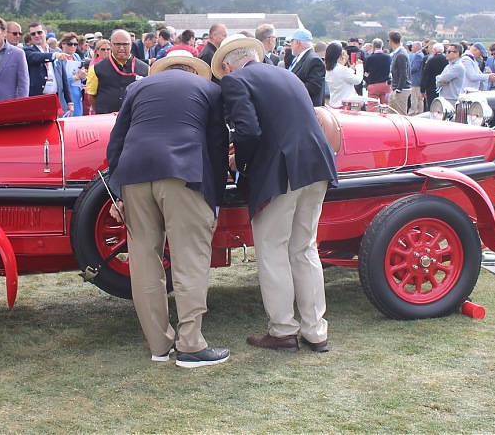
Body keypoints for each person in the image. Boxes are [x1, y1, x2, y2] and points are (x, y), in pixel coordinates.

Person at [213, 34, 338, 354]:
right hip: (317, 165)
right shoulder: (288, 75)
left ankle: (283, 330)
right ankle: (315, 331)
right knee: (305, 248)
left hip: (279, 172)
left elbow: (248, 131)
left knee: (272, 250)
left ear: (228, 66)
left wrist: (238, 163)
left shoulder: (234, 81)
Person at [106, 50, 230, 368]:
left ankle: (159, 345)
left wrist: (118, 193)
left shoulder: (137, 88)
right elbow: (217, 146)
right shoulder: (210, 90)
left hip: (134, 175)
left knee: (145, 261)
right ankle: (190, 345)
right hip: (183, 173)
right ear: (194, 70)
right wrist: (213, 197)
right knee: (189, 260)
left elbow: (115, 144)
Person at [86, 29, 149, 114]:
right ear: (111, 45)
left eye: (125, 44)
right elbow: (91, 96)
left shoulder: (145, 69)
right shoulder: (96, 68)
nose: (121, 48)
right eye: (117, 44)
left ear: (131, 45)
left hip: (134, 118)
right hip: (106, 119)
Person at [24, 22, 72, 114]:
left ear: (45, 32)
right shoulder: (28, 51)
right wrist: (54, 55)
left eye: (39, 32)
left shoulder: (56, 52)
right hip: (38, 100)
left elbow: (64, 79)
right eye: (33, 34)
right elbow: (37, 57)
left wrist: (69, 101)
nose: (36, 36)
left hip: (56, 99)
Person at [287, 28, 326, 106]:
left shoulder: (314, 60)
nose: (290, 45)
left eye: (291, 42)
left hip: (306, 109)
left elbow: (314, 87)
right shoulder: (299, 58)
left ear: (297, 43)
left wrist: (289, 88)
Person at [324, 41, 362, 108]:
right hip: (345, 105)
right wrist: (359, 67)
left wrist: (350, 69)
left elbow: (341, 76)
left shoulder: (328, 69)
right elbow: (357, 80)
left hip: (334, 103)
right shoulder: (342, 69)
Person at [59, 32, 86, 116]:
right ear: (63, 44)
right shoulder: (60, 58)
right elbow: (60, 80)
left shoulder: (77, 56)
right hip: (65, 95)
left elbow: (81, 74)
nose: (73, 46)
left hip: (77, 93)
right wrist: (76, 77)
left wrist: (83, 75)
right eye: (70, 44)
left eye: (75, 44)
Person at [387, 31, 411, 115]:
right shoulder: (399, 53)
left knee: (401, 114)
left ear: (391, 41)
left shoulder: (401, 55)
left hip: (401, 89)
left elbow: (403, 74)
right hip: (396, 87)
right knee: (391, 113)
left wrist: (398, 89)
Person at [363, 38, 392, 105]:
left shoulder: (369, 58)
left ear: (373, 46)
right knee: (385, 106)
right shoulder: (388, 57)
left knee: (371, 106)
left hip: (373, 84)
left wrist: (367, 81)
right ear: (382, 46)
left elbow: (366, 72)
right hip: (385, 84)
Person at [421, 43, 448, 111]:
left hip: (431, 88)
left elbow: (425, 75)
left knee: (432, 107)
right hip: (443, 88)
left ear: (435, 50)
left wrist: (422, 89)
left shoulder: (431, 60)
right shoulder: (447, 60)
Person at [408, 41, 424, 115]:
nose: (411, 48)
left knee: (414, 98)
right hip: (417, 79)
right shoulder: (420, 55)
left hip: (416, 80)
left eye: (413, 46)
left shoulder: (418, 56)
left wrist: (407, 71)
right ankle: (419, 112)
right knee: (418, 98)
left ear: (417, 47)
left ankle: (413, 112)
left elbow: (415, 68)